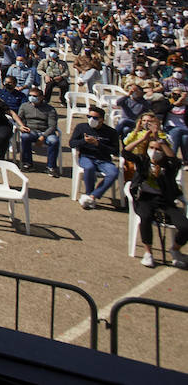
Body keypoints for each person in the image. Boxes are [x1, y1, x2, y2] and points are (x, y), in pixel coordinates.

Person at [125, 137, 188, 268]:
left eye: (158, 149)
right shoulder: (143, 160)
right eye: (152, 148)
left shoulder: (168, 166)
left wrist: (162, 143)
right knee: (146, 217)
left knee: (185, 226)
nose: (154, 151)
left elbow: (176, 162)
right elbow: (125, 152)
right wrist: (143, 138)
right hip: (145, 198)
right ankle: (148, 252)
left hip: (165, 200)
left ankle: (175, 249)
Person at [70, 105, 121, 209]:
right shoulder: (81, 127)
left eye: (95, 118)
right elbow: (72, 143)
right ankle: (89, 193)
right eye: (89, 117)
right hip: (86, 157)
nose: (91, 120)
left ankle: (92, 196)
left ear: (102, 119)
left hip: (104, 159)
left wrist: (98, 144)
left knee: (114, 172)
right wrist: (84, 141)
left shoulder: (111, 132)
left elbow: (115, 151)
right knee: (89, 168)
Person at [16, 85, 61, 177]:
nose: (32, 98)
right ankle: (27, 163)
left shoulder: (50, 109)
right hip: (31, 131)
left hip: (46, 132)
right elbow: (19, 119)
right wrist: (20, 127)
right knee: (25, 137)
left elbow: (52, 126)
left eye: (35, 96)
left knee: (54, 141)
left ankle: (51, 167)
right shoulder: (24, 106)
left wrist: (43, 136)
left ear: (41, 97)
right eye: (30, 95)